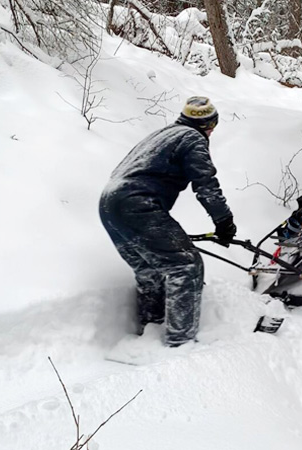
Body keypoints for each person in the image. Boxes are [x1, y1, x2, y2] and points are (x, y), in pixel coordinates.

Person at [99, 96, 236, 347]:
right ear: (210, 125)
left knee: (149, 270)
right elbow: (206, 184)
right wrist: (224, 221)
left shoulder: (164, 134)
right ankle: (180, 341)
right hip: (138, 204)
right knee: (185, 265)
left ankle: (150, 330)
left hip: (110, 204)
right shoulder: (192, 138)